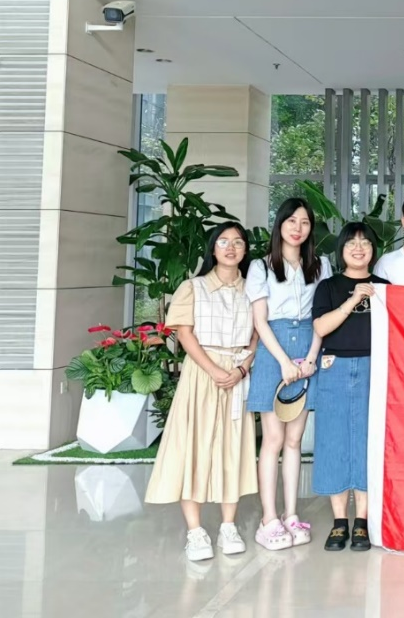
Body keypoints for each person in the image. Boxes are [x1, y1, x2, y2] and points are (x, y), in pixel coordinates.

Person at [145, 222, 259, 562]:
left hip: (238, 373)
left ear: (245, 250)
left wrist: (241, 369)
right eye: (223, 241)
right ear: (212, 248)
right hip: (200, 373)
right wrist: (214, 370)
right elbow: (184, 334)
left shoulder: (253, 289)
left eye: (238, 242)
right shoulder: (193, 287)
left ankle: (228, 526)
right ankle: (195, 532)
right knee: (192, 446)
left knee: (233, 447)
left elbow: (257, 335)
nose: (231, 248)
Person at [244, 197, 330, 551]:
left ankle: (291, 514)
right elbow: (260, 321)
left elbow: (321, 314)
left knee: (295, 440)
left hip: (309, 347)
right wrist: (283, 361)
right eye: (291, 221)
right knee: (274, 439)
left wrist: (310, 358)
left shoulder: (321, 264)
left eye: (305, 222)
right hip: (273, 350)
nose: (298, 228)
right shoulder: (261, 267)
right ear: (279, 224)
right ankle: (268, 519)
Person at [311, 222, 390, 552]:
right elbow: (321, 327)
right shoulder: (328, 287)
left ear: (374, 250)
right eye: (351, 243)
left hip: (376, 368)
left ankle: (362, 521)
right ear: (341, 250)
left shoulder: (385, 288)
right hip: (335, 368)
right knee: (333, 442)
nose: (359, 249)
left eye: (365, 243)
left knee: (368, 442)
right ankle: (339, 521)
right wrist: (354, 298)